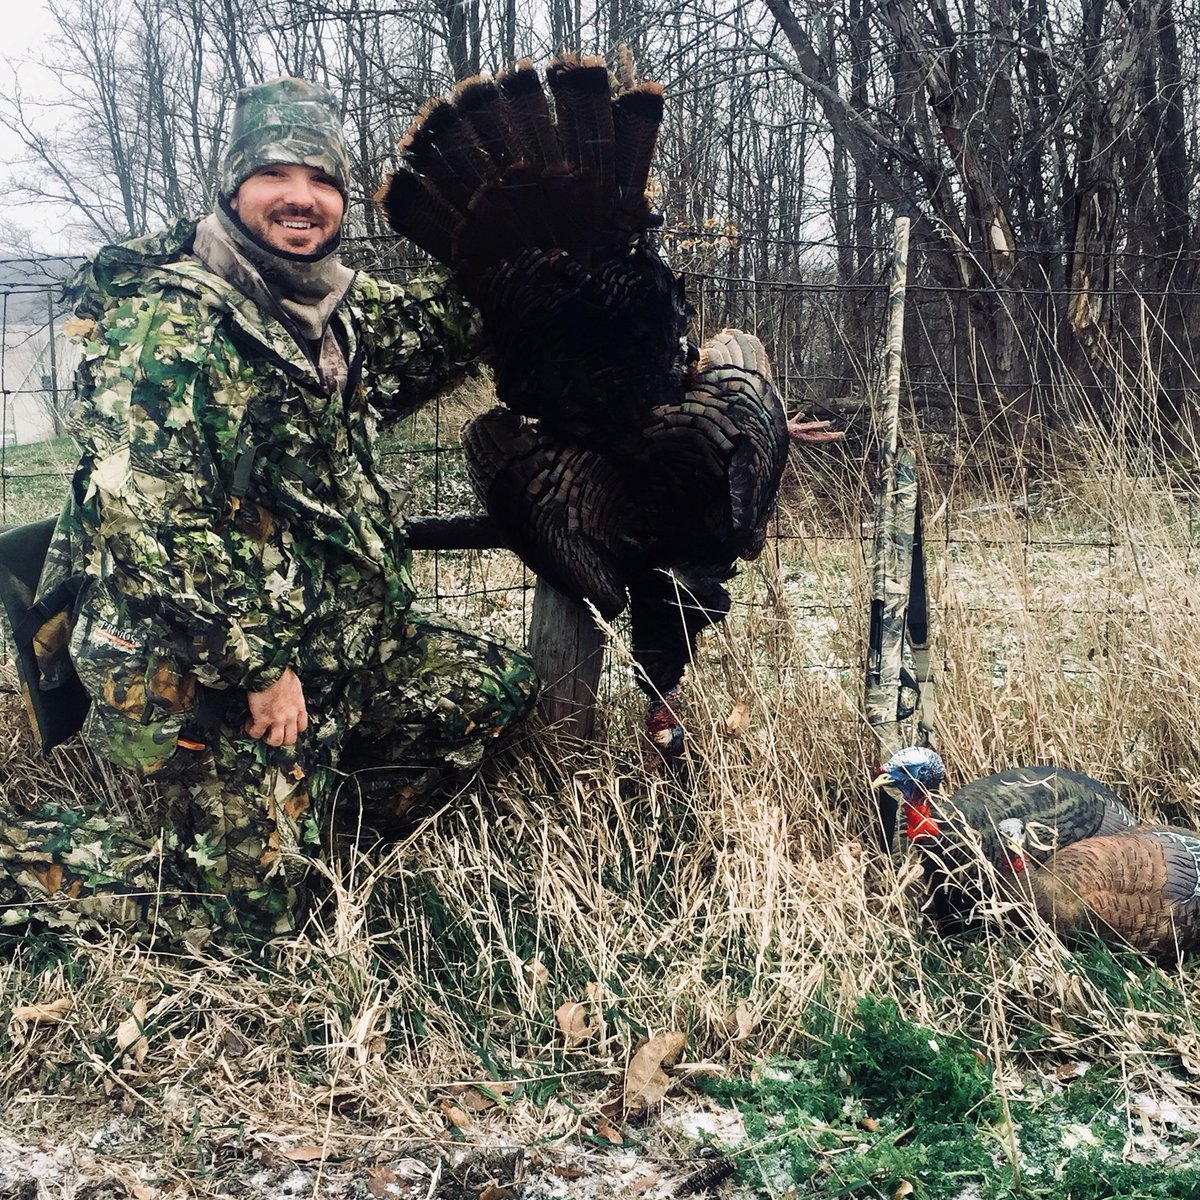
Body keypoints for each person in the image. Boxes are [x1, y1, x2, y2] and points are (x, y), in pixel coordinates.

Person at [1, 77, 538, 952]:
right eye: (275, 175)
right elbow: (151, 526)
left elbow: (450, 323)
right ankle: (62, 860)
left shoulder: (330, 307)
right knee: (248, 928)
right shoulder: (166, 326)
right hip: (215, 665)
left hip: (337, 633)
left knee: (486, 692)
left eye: (322, 180)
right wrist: (259, 667)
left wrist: (535, 245)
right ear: (233, 187)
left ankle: (296, 828)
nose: (301, 197)